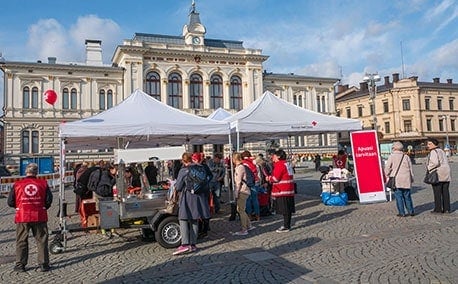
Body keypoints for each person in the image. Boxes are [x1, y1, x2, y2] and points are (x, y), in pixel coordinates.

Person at [7, 163, 53, 272]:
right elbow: (48, 200)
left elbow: (10, 202)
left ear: (26, 172)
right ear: (36, 172)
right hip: (39, 215)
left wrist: (20, 206)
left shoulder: (17, 184)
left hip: (22, 216)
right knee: (42, 240)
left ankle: (20, 265)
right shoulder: (43, 183)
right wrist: (42, 207)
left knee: (21, 240)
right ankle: (43, 264)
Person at [173, 152, 211, 255]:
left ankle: (185, 244)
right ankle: (193, 244)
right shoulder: (200, 168)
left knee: (183, 218)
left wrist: (174, 185)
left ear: (183, 161)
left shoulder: (183, 170)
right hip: (199, 197)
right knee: (195, 219)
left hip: (188, 197)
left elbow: (179, 187)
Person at [267, 149, 295, 232]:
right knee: (288, 210)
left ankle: (286, 226)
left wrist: (268, 178)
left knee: (285, 209)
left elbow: (275, 178)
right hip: (289, 189)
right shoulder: (287, 164)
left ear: (278, 156)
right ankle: (287, 225)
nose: (273, 158)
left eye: (274, 156)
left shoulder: (279, 165)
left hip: (282, 190)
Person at [384, 141, 415, 217]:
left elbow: (387, 167)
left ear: (394, 148)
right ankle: (411, 211)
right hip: (406, 179)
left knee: (399, 196)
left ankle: (402, 212)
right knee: (407, 196)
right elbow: (411, 168)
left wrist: (387, 174)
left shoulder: (392, 156)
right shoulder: (406, 156)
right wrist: (411, 178)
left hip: (396, 179)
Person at [425, 138, 451, 214]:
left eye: (429, 144)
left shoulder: (433, 152)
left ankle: (438, 209)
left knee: (437, 192)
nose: (428, 145)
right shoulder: (441, 151)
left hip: (438, 174)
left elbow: (435, 163)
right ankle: (447, 209)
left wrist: (428, 167)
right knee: (445, 192)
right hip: (446, 173)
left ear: (434, 144)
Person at [232, 152, 254, 236]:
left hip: (242, 190)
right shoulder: (243, 166)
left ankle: (244, 229)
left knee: (241, 210)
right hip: (245, 190)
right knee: (241, 209)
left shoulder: (239, 168)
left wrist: (236, 193)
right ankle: (249, 225)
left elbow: (238, 182)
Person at [241, 150, 261, 221]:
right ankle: (258, 215)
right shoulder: (254, 162)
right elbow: (258, 172)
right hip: (256, 181)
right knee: (255, 200)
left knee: (248, 200)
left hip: (248, 183)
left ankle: (249, 215)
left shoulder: (244, 163)